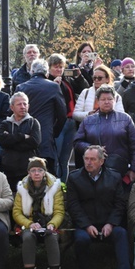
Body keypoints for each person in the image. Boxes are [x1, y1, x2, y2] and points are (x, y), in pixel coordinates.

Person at [65, 145, 132, 269]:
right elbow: (73, 205)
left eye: (93, 159)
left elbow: (120, 203)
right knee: (81, 239)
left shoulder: (114, 177)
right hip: (86, 225)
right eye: (86, 159)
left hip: (108, 224)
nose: (89, 162)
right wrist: (87, 225)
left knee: (121, 234)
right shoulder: (74, 177)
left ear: (101, 161)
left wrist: (111, 224)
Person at [12, 157, 64, 269]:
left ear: (44, 172)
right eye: (33, 170)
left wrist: (53, 223)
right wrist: (29, 224)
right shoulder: (22, 187)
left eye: (40, 170)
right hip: (28, 223)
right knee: (28, 237)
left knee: (51, 236)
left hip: (48, 222)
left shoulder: (54, 187)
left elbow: (59, 211)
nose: (36, 173)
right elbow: (17, 212)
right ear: (29, 172)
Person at [74, 84, 135, 182]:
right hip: (94, 170)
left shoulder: (125, 119)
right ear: (98, 101)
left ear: (115, 100)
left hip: (120, 169)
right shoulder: (88, 120)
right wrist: (92, 149)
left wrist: (133, 169)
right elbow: (77, 142)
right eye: (103, 99)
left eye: (109, 99)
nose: (106, 102)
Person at [15, 59, 66, 173]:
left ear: (32, 71)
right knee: (47, 176)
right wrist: (54, 132)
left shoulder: (21, 87)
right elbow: (62, 115)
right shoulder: (53, 87)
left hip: (25, 137)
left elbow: (12, 112)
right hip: (46, 137)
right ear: (47, 73)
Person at [48, 53, 88, 182]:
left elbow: (84, 89)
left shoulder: (67, 79)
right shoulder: (48, 82)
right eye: (56, 67)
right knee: (57, 158)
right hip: (58, 123)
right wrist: (54, 85)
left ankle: (63, 187)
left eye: (61, 67)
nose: (59, 70)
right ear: (49, 68)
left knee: (65, 160)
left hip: (71, 122)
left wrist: (79, 76)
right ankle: (55, 187)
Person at [0, 92, 42, 191]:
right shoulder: (5, 123)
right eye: (19, 104)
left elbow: (35, 142)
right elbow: (2, 141)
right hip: (9, 169)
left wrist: (11, 140)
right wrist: (22, 136)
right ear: (12, 107)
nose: (22, 107)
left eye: (25, 104)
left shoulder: (33, 122)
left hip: (27, 169)